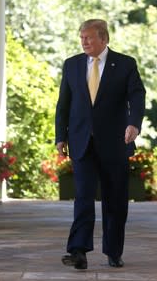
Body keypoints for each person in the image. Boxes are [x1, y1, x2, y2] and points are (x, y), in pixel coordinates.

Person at [55, 19, 146, 269]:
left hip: (115, 142)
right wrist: (60, 136)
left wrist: (134, 123)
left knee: (115, 199)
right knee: (83, 197)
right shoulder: (72, 65)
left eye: (89, 37)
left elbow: (137, 96)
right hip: (81, 141)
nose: (84, 41)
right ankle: (78, 252)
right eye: (82, 37)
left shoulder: (125, 64)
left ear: (103, 39)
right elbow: (63, 103)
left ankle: (114, 251)